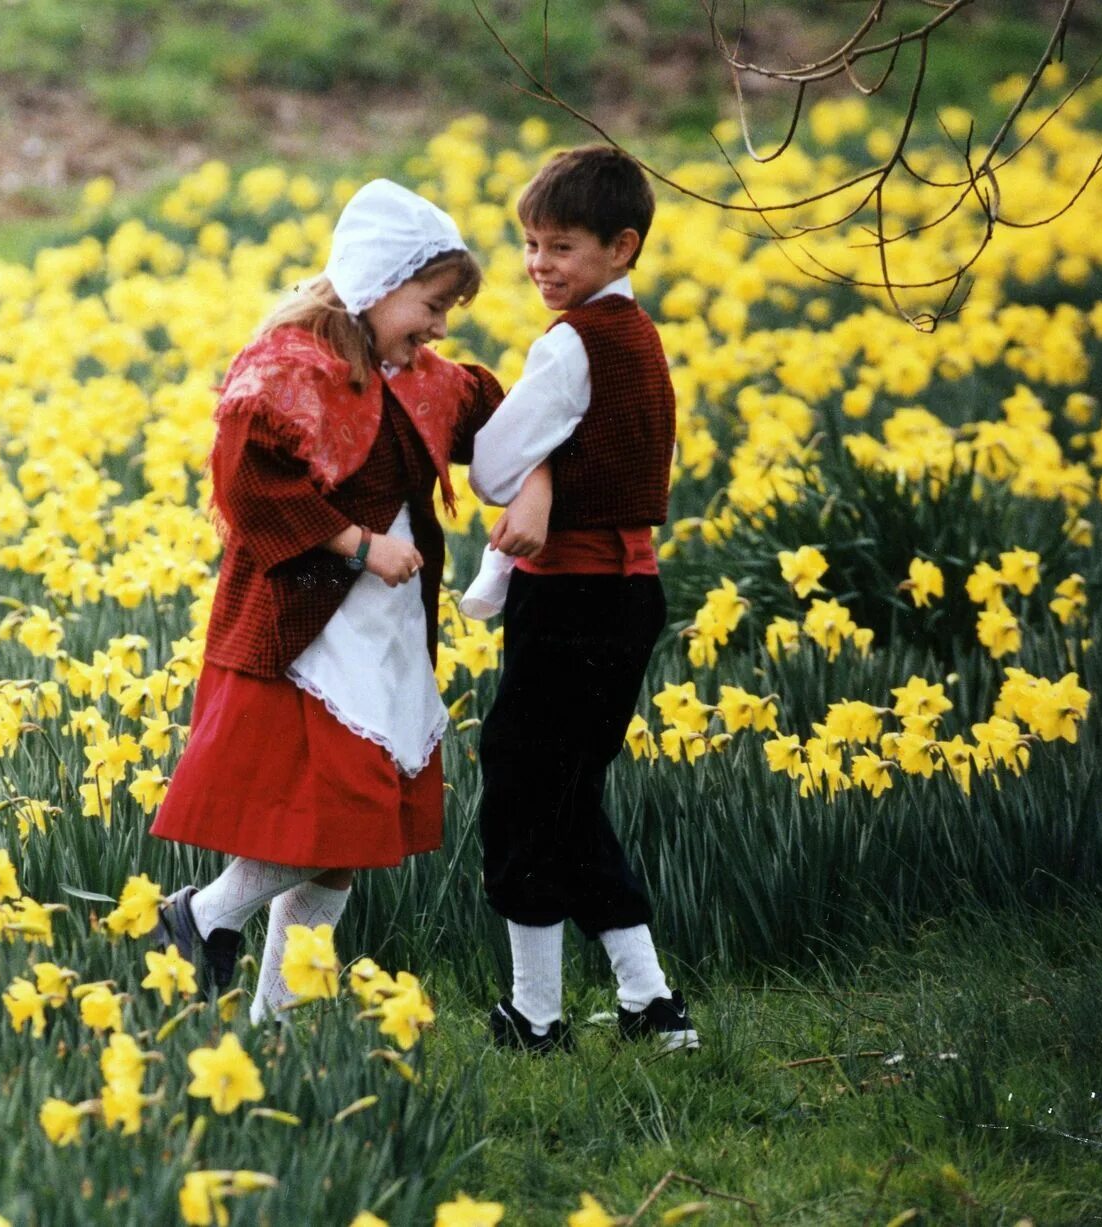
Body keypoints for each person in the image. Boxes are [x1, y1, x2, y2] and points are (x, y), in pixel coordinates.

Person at [149, 179, 502, 1025]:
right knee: (342, 820)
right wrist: (357, 543)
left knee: (346, 842)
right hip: (305, 631)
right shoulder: (288, 371)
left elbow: (500, 420)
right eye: (432, 302)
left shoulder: (416, 376)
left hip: (381, 630)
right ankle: (202, 916)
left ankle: (281, 1021)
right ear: (380, 283)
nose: (441, 326)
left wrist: (537, 489)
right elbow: (247, 484)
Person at [465, 145, 697, 1053]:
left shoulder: (570, 345)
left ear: (621, 247)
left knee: (522, 791)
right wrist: (552, 472)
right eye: (530, 243)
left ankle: (538, 1013)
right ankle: (648, 1003)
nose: (539, 264)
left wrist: (532, 477)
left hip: (568, 599)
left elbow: (488, 463)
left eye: (561, 246)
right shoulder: (640, 341)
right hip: (629, 595)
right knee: (564, 795)